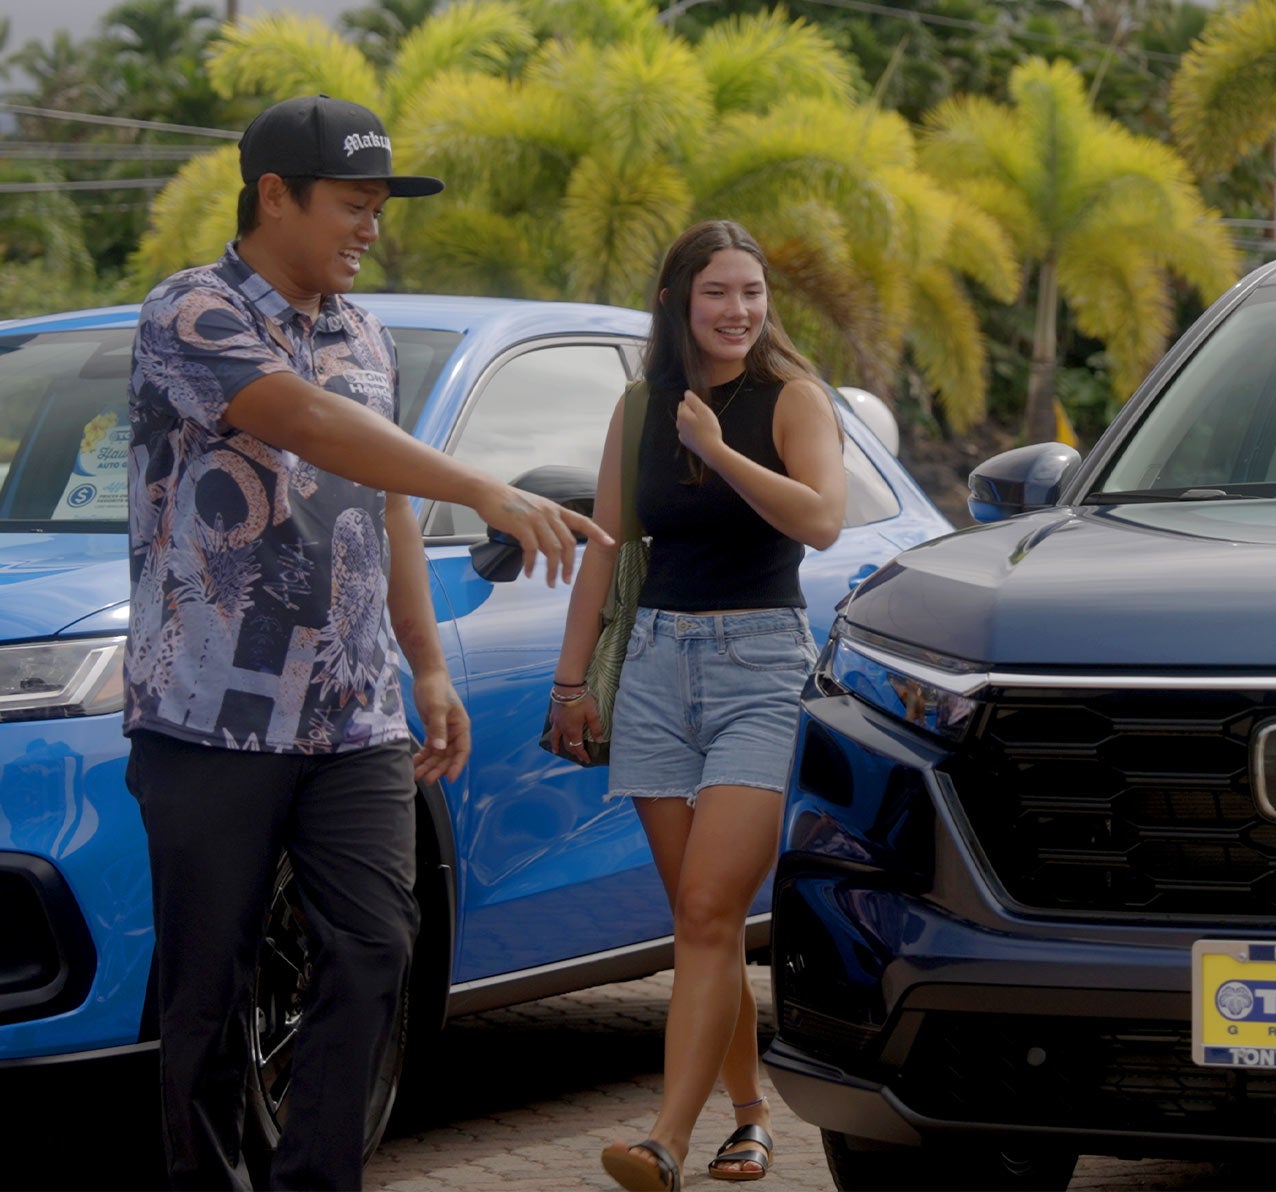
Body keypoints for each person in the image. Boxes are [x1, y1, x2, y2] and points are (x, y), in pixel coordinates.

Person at [124, 93, 609, 1190]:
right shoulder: (189, 314)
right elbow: (299, 420)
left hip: (352, 715)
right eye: (353, 203)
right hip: (209, 720)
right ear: (275, 196)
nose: (370, 226)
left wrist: (426, 662)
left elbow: (385, 494)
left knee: (377, 949)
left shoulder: (366, 334)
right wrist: (482, 484)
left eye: (380, 206)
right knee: (207, 990)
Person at [549, 220, 847, 1190]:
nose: (740, 311)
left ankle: (664, 1141)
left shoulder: (791, 399)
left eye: (753, 292)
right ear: (680, 301)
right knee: (698, 918)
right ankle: (750, 1119)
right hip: (656, 669)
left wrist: (718, 451)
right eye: (719, 292)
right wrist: (567, 681)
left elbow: (822, 517)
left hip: (760, 667)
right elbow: (607, 543)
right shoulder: (641, 405)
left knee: (713, 908)